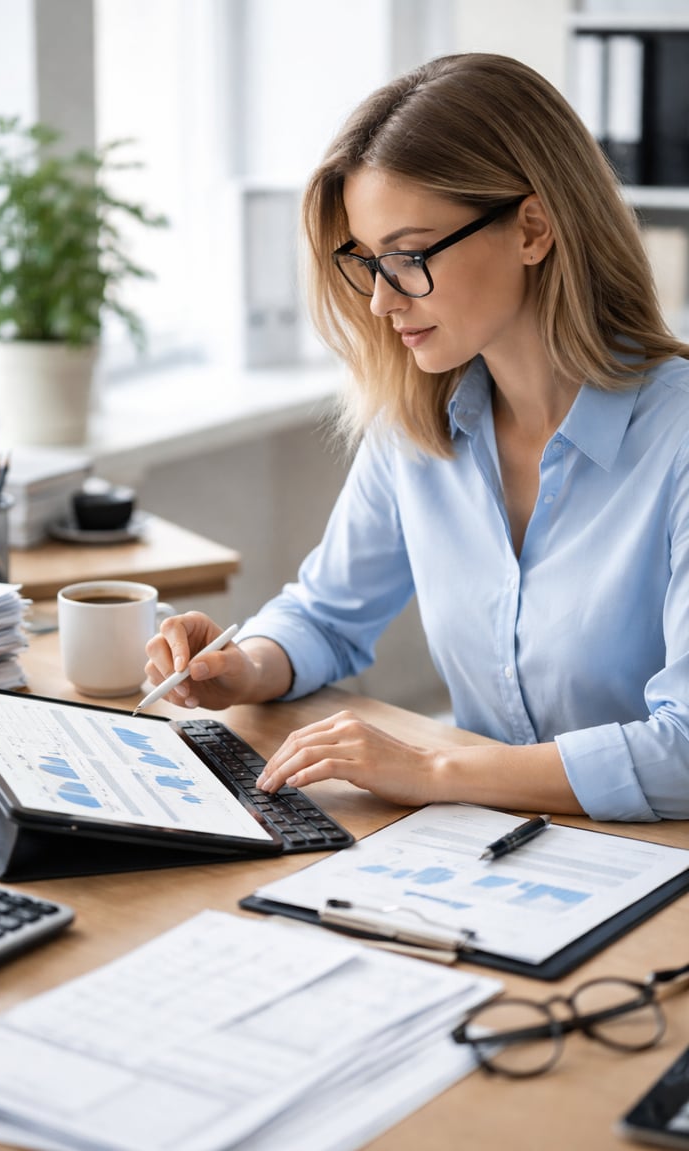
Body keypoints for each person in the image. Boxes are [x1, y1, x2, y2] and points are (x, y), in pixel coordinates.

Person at [145, 52, 689, 822]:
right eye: (367, 262)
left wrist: (434, 764)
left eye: (407, 256)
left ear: (532, 228)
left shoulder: (678, 439)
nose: (378, 300)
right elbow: (328, 614)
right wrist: (244, 666)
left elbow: (686, 750)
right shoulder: (419, 424)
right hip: (491, 849)